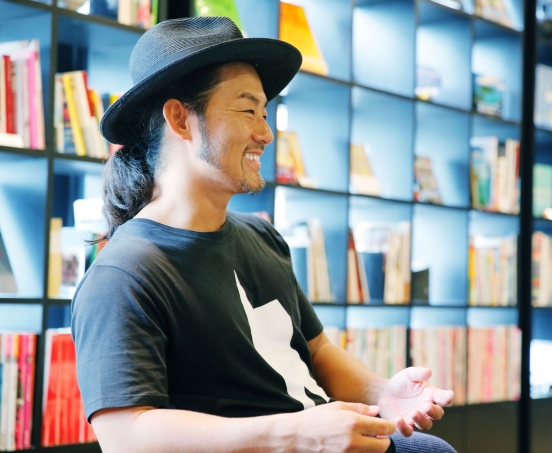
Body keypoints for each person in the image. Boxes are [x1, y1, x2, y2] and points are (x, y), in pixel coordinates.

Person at [71, 16, 457, 453]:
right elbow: (125, 436)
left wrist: (382, 393)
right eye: (247, 110)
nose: (266, 133)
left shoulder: (261, 235)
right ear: (180, 119)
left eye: (266, 113)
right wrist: (294, 434)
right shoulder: (123, 274)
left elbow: (316, 351)